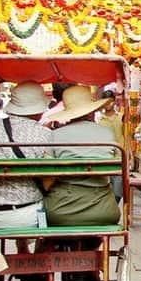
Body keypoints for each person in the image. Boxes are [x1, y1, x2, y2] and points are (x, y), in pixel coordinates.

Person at [43, 85, 120, 226]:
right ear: (91, 110)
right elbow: (120, 172)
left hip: (61, 210)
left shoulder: (55, 135)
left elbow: (47, 182)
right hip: (104, 210)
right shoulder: (106, 134)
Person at [0, 81, 51, 256]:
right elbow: (49, 183)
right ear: (39, 109)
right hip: (30, 216)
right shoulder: (46, 135)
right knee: (51, 197)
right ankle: (36, 259)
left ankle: (4, 262)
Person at [96, 89, 124, 203]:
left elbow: (125, 135)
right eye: (106, 102)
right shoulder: (99, 119)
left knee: (118, 191)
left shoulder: (121, 117)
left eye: (111, 101)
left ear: (114, 101)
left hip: (120, 157)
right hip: (105, 158)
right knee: (105, 189)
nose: (109, 104)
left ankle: (113, 207)